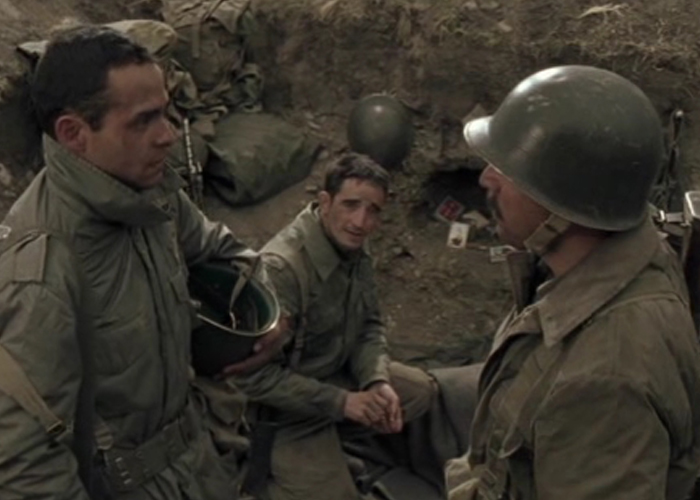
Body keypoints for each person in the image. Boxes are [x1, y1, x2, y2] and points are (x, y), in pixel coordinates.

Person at [0, 25, 283, 499]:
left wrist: (264, 315)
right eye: (144, 121)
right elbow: (24, 466)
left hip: (199, 465)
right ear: (74, 134)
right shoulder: (38, 275)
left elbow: (224, 253)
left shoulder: (151, 196)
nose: (168, 135)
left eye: (166, 113)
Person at [445, 65, 700, 500]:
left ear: (564, 204)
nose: (486, 179)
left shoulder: (604, 381)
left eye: (509, 170)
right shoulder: (615, 251)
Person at [230, 153, 438, 500]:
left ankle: (330, 442)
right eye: (350, 205)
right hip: (285, 411)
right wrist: (342, 403)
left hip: (333, 380)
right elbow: (252, 379)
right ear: (325, 202)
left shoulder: (353, 248)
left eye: (373, 211)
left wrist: (376, 380)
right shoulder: (282, 269)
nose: (361, 221)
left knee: (419, 392)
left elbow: (369, 325)